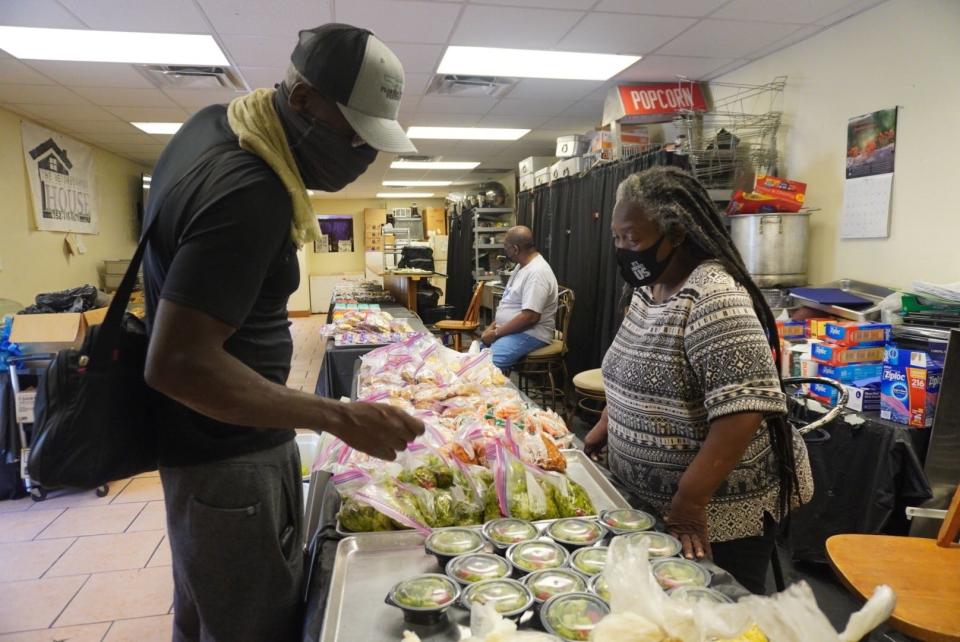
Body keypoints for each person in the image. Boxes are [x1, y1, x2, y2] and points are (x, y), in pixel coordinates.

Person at [141, 24, 424, 642]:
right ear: (301, 101)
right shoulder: (250, 190)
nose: (361, 153)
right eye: (354, 133)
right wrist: (336, 415)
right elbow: (179, 363)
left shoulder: (215, 124)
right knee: (252, 623)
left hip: (201, 449)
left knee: (207, 612)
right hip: (226, 456)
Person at [584, 166, 813, 594]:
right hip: (653, 503)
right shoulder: (647, 289)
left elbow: (743, 411)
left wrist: (689, 502)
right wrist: (605, 427)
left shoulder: (714, 298)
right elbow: (631, 374)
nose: (622, 249)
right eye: (617, 238)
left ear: (675, 233)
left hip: (714, 515)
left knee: (715, 616)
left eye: (632, 238)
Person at [480, 226, 559, 371]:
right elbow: (509, 304)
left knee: (486, 367)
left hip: (531, 333)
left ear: (515, 249)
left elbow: (530, 317)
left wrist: (497, 333)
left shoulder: (537, 273)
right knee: (475, 359)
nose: (505, 251)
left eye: (506, 247)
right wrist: (492, 328)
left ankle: (499, 392)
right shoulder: (521, 267)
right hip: (515, 330)